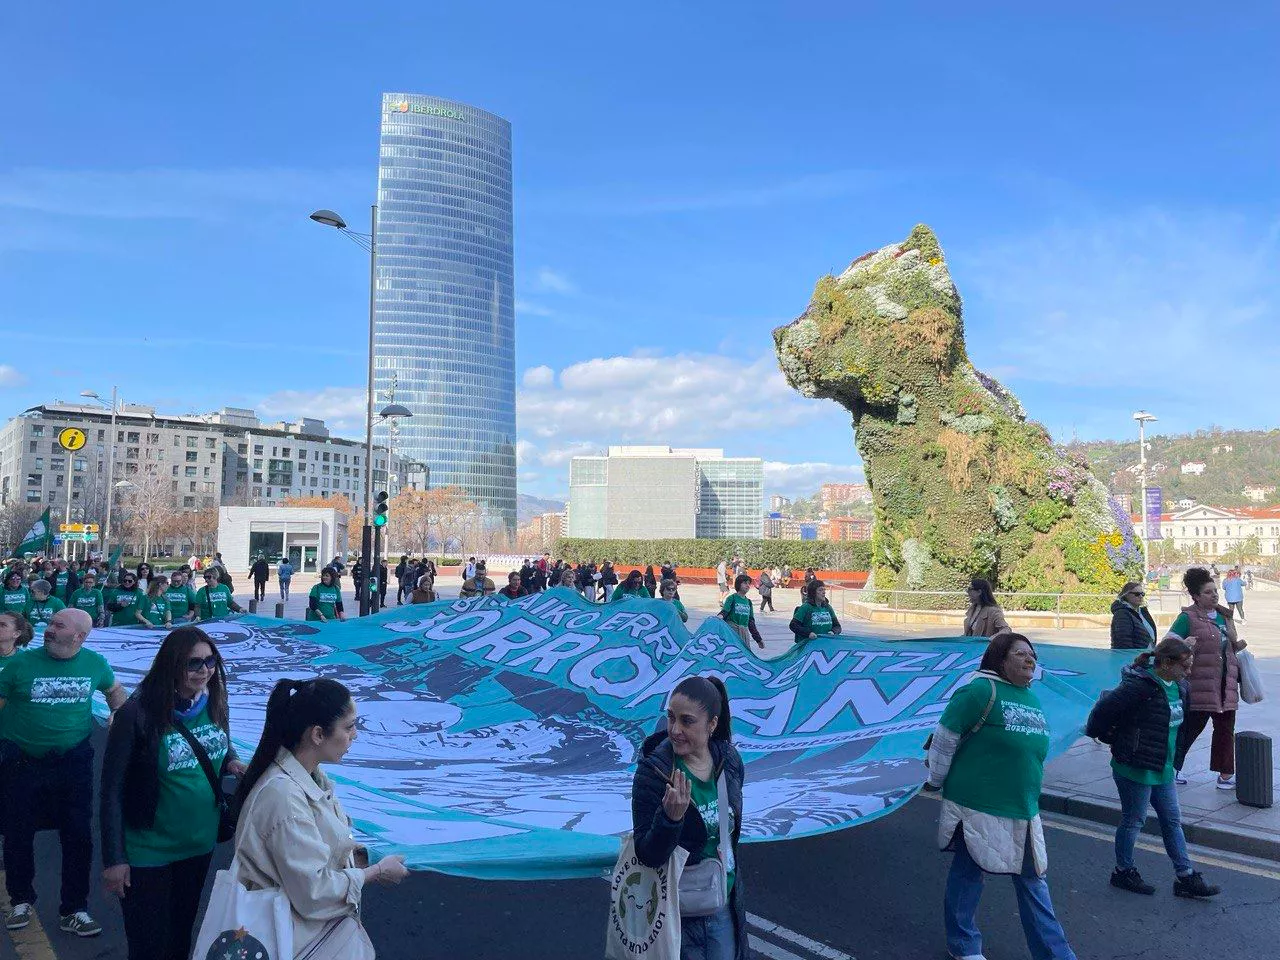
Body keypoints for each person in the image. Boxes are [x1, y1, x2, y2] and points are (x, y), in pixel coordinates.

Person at [925, 632, 1076, 960]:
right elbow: (945, 737)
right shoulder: (980, 690)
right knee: (969, 874)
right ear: (1000, 659)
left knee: (1033, 883)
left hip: (1022, 807)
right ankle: (963, 945)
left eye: (1032, 655)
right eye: (1021, 653)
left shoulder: (1030, 697)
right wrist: (934, 779)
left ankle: (1055, 955)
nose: (1029, 659)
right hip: (977, 805)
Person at [100, 626, 247, 959]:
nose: (204, 671)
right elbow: (111, 790)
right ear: (171, 664)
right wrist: (114, 859)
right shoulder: (136, 714)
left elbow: (218, 746)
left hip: (198, 846)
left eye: (210, 662)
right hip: (149, 850)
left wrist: (233, 762)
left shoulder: (214, 702)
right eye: (193, 663)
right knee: (149, 945)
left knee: (181, 936)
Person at [233, 678, 409, 952]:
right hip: (294, 943)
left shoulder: (311, 778)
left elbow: (313, 852)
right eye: (349, 727)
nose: (355, 735)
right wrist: (374, 872)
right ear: (317, 734)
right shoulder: (284, 797)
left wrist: (358, 858)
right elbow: (313, 892)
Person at [0, 608, 127, 936]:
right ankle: (21, 899)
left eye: (58, 626)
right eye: (50, 623)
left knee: (78, 836)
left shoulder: (94, 663)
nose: (48, 629)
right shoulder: (19, 665)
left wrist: (117, 713)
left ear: (79, 636)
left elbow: (115, 693)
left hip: (73, 762)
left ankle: (74, 909)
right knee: (17, 832)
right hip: (22, 761)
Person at [1084, 636, 1220, 899]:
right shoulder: (1140, 686)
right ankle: (1123, 871)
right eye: (1185, 666)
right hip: (1136, 766)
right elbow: (1102, 711)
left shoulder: (1180, 686)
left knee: (1172, 820)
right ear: (1166, 663)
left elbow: (1180, 729)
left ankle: (1185, 876)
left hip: (1163, 766)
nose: (1188, 672)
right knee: (1134, 820)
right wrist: (1106, 737)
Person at [631, 675, 747, 960]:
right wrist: (670, 820)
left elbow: (730, 832)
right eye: (671, 718)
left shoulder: (729, 761)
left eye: (687, 721)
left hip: (722, 903)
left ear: (712, 724)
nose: (675, 730)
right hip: (676, 912)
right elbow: (646, 854)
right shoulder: (653, 773)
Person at [1165, 567, 1246, 790]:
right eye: (1208, 592)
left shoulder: (1224, 615)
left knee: (1225, 731)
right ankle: (1171, 770)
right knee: (1189, 730)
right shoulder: (1187, 618)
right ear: (1196, 596)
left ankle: (1225, 775)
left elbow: (1229, 646)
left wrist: (1235, 644)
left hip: (1225, 686)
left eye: (1215, 591)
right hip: (1198, 686)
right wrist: (1184, 647)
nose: (1215, 595)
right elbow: (1166, 647)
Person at [720, 574, 765, 649]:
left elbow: (751, 623)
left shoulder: (748, 602)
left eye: (748, 583)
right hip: (732, 633)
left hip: (744, 634)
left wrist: (758, 639)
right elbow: (725, 612)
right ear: (738, 584)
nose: (747, 585)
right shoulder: (732, 598)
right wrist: (718, 618)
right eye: (745, 583)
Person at [1110, 581, 1157, 650]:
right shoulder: (1122, 614)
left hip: (1144, 656)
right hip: (1131, 658)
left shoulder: (1142, 612)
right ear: (1126, 595)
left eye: (1142, 594)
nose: (1141, 596)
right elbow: (1123, 642)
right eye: (1137, 594)